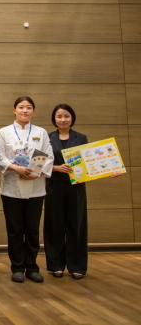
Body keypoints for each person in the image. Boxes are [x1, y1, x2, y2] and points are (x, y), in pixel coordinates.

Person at [44, 104, 120, 280]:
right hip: (54, 187)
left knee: (76, 226)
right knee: (54, 226)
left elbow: (92, 163)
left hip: (76, 188)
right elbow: (39, 164)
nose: (63, 120)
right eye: (59, 117)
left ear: (72, 118)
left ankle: (77, 266)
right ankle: (56, 265)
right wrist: (56, 168)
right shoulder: (47, 138)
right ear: (54, 119)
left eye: (66, 116)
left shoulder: (81, 137)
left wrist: (111, 170)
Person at [0, 96, 53, 283]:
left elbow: (47, 155)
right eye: (21, 107)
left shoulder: (41, 132)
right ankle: (17, 267)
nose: (25, 110)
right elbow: (0, 156)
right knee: (15, 230)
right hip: (12, 187)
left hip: (36, 187)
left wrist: (36, 172)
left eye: (28, 107)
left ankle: (32, 267)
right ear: (14, 110)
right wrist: (15, 167)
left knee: (32, 229)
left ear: (33, 111)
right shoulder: (4, 132)